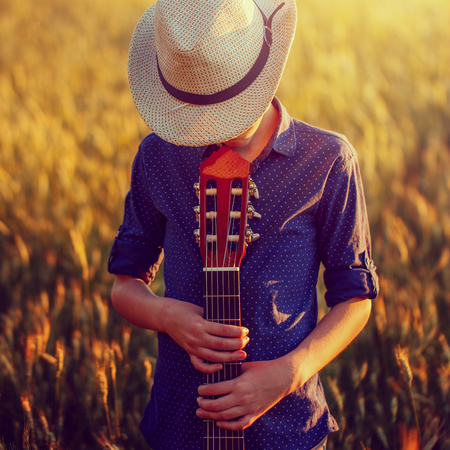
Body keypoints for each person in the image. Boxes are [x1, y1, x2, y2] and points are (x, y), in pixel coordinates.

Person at [108, 0, 379, 448]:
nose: (214, 125)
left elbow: (356, 300)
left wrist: (287, 375)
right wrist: (167, 315)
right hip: (181, 423)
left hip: (288, 427)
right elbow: (124, 285)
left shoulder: (326, 160)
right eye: (200, 109)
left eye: (228, 106)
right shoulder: (159, 155)